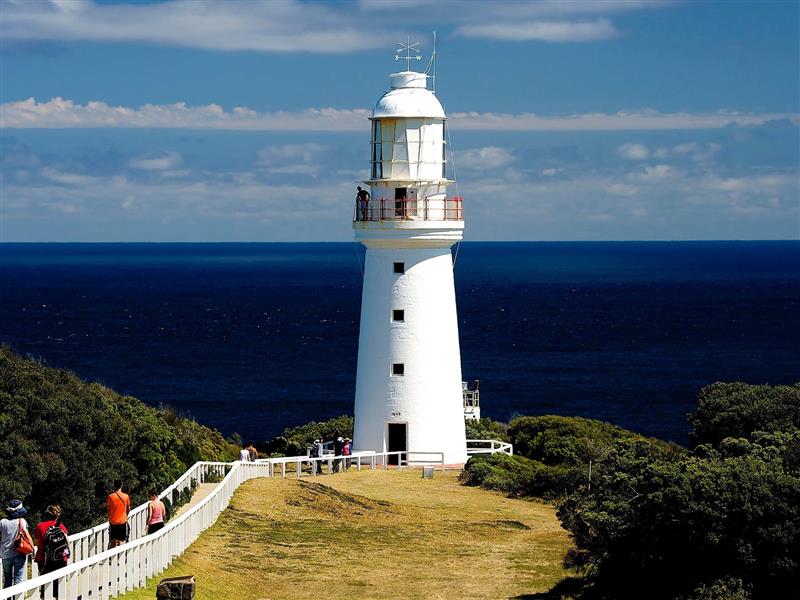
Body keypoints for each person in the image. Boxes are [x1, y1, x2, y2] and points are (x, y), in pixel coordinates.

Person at [34, 504, 69, 595]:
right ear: (57, 516)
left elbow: (38, 544)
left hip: (44, 558)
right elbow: (67, 542)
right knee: (59, 584)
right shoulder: (60, 526)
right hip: (60, 557)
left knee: (45, 584)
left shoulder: (40, 526)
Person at [1, 499, 32, 589]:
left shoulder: (2, 522)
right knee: (18, 580)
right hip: (19, 552)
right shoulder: (22, 521)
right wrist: (33, 549)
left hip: (5, 555)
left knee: (7, 579)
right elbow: (27, 536)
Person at [106, 480, 130, 549]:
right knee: (121, 540)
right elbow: (128, 509)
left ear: (114, 486)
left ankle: (113, 557)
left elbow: (108, 509)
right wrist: (125, 515)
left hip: (113, 521)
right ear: (121, 485)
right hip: (122, 521)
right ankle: (120, 557)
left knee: (113, 540)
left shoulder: (110, 497)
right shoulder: (126, 496)